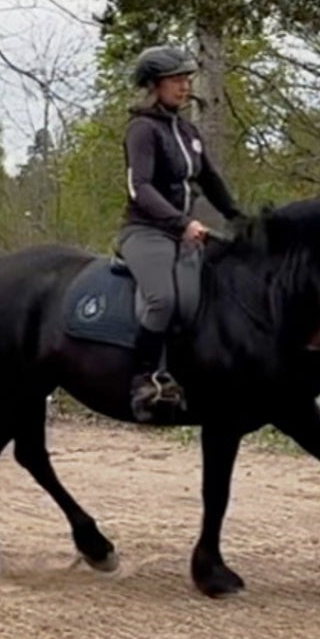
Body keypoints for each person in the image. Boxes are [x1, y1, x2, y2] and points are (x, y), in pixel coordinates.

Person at [117, 45, 243, 422]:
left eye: (187, 79)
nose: (185, 86)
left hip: (181, 234)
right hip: (146, 231)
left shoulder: (187, 131)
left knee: (201, 296)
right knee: (163, 300)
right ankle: (144, 380)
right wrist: (182, 222)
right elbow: (140, 188)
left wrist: (238, 216)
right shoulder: (142, 129)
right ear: (154, 84)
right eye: (176, 80)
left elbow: (209, 179)